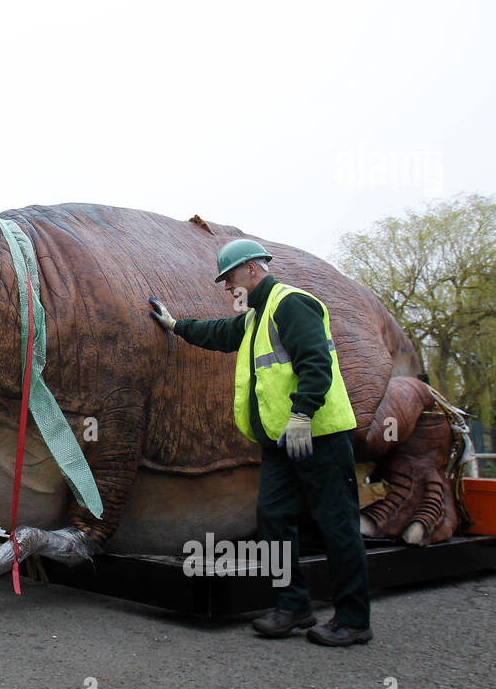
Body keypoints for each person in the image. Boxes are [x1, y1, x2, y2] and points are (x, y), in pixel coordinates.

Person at [149, 239, 373, 646]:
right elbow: (219, 332)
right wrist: (175, 325)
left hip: (317, 435)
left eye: (230, 277)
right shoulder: (255, 317)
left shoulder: (292, 304)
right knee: (273, 520)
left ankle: (354, 619)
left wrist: (303, 414)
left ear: (252, 269)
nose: (226, 287)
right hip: (280, 442)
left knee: (337, 524)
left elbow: (316, 363)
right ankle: (294, 605)